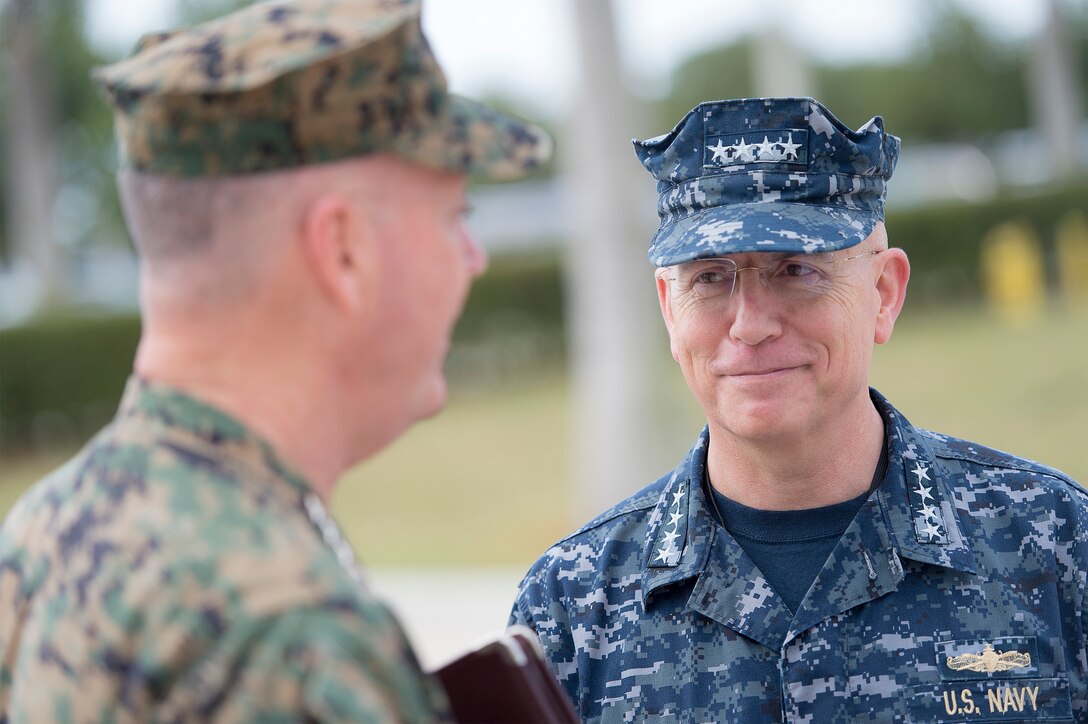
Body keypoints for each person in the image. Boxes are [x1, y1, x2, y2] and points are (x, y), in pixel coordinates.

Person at [0, 0, 550, 720]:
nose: (472, 261)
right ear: (344, 249)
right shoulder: (293, 637)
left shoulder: (46, 529)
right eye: (456, 218)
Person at [510, 97, 1086, 721]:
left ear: (884, 294)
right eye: (709, 278)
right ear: (669, 310)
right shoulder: (570, 607)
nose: (751, 325)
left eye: (796, 270)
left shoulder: (1053, 545)